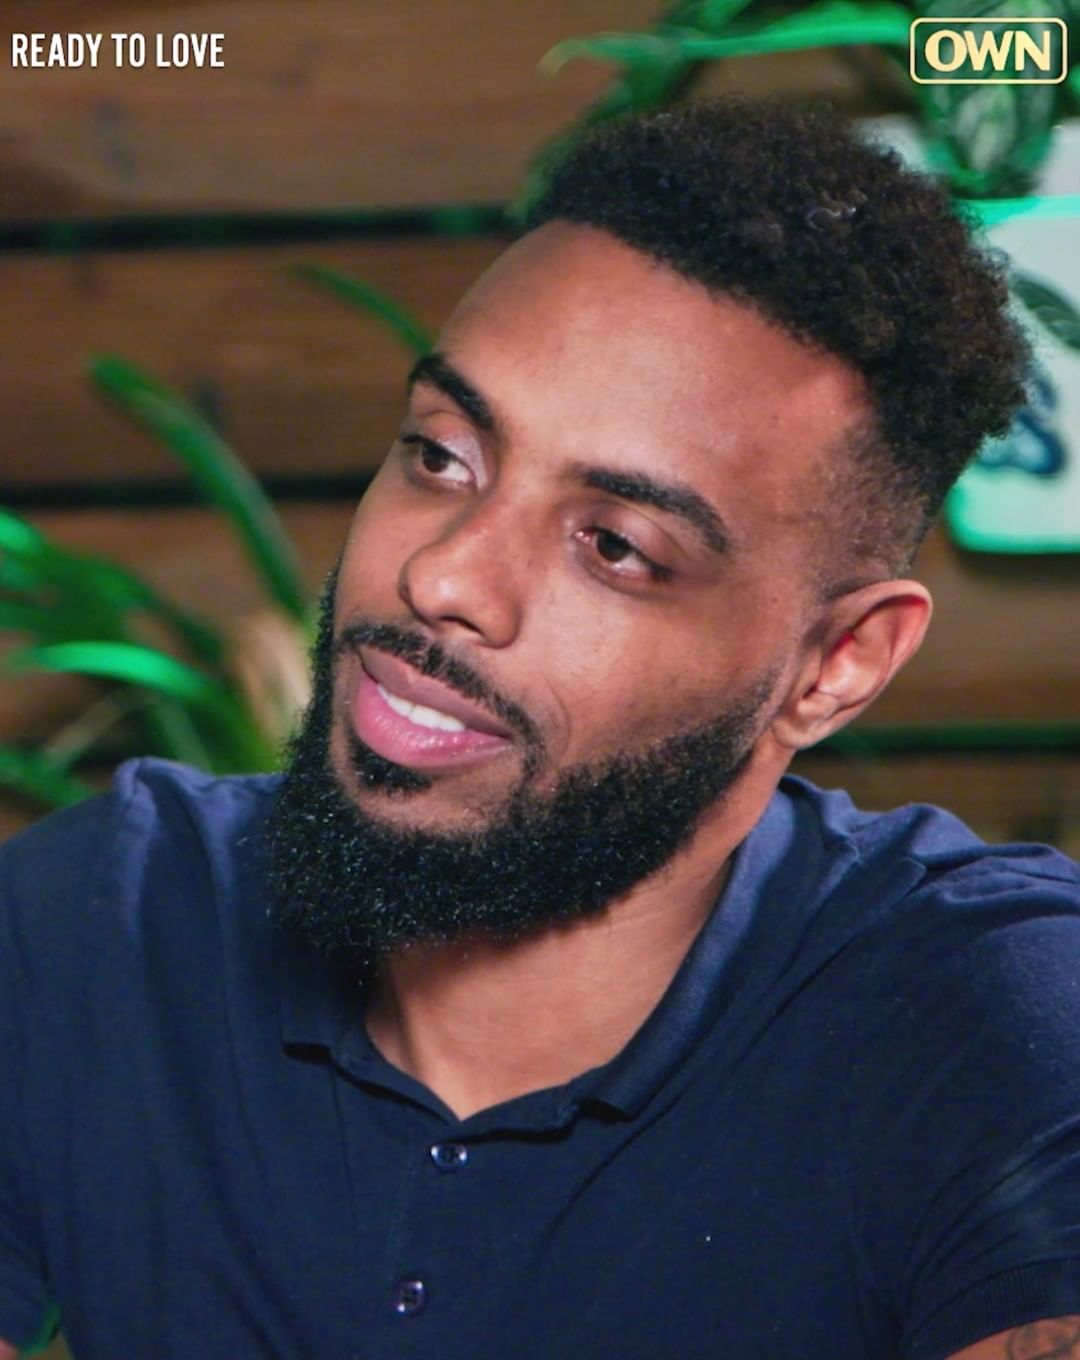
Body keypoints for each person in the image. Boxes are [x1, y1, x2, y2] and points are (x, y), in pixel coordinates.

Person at [2, 94, 1078, 1360]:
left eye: (614, 546)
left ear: (835, 666)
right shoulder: (105, 920)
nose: (444, 575)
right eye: (442, 455)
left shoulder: (981, 1011)